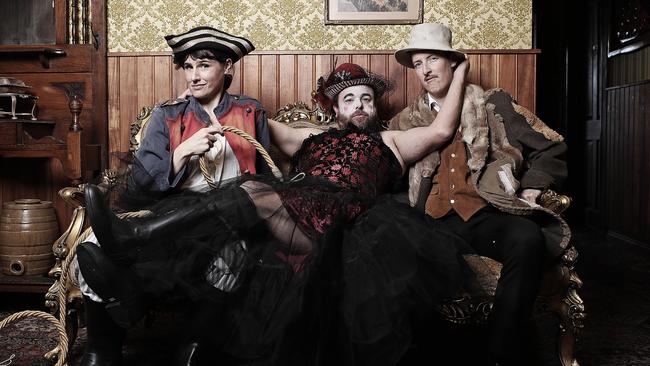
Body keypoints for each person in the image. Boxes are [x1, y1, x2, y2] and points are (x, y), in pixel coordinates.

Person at [81, 60, 478, 365]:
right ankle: (131, 270)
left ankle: (133, 239)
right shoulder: (309, 137)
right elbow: (244, 117)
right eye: (349, 99)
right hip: (292, 216)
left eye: (367, 98)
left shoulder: (393, 140)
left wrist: (459, 70)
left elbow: (442, 130)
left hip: (341, 229)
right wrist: (190, 100)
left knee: (252, 191)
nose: (359, 106)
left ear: (376, 107)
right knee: (239, 203)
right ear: (335, 109)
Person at [74, 26, 269, 366]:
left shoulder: (250, 113)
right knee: (92, 243)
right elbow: (139, 185)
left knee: (232, 252)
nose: (193, 75)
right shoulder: (168, 115)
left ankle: (193, 348)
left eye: (204, 65)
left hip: (233, 216)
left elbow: (265, 179)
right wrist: (182, 154)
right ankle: (102, 350)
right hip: (172, 212)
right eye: (188, 66)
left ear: (228, 68)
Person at [389, 23, 570, 365]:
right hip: (433, 222)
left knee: (528, 238)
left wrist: (533, 186)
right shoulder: (404, 121)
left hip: (485, 213)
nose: (426, 70)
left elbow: (552, 146)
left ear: (453, 62)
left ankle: (500, 353)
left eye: (432, 59)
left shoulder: (491, 103)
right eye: (417, 64)